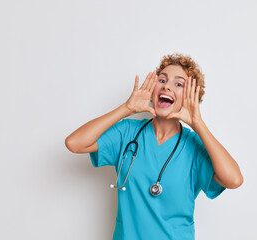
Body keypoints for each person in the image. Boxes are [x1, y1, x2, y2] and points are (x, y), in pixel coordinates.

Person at [65, 53, 243, 240]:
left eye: (179, 84)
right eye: (162, 80)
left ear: (190, 97)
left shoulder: (194, 147)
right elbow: (74, 143)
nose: (167, 86)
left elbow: (234, 180)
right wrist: (127, 108)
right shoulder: (127, 133)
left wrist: (198, 124)